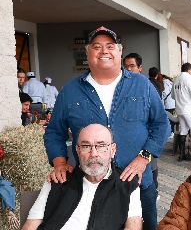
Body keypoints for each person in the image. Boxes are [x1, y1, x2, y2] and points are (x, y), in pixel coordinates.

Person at [43, 26, 170, 230]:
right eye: (97, 46)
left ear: (119, 52)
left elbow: (161, 125)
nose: (104, 51)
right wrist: (59, 162)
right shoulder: (70, 91)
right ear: (87, 53)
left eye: (110, 46)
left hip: (138, 183)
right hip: (89, 187)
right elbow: (54, 133)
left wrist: (143, 158)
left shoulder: (142, 85)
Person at [23, 124, 142, 230]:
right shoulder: (58, 179)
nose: (93, 153)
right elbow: (30, 226)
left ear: (112, 150)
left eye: (101, 146)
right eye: (86, 146)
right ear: (77, 150)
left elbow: (134, 226)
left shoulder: (127, 184)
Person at [122, 54, 162, 198]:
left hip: (149, 139)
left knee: (151, 168)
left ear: (140, 68)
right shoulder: (121, 86)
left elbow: (159, 119)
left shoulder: (148, 86)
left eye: (131, 66)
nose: (128, 69)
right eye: (125, 66)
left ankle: (154, 189)